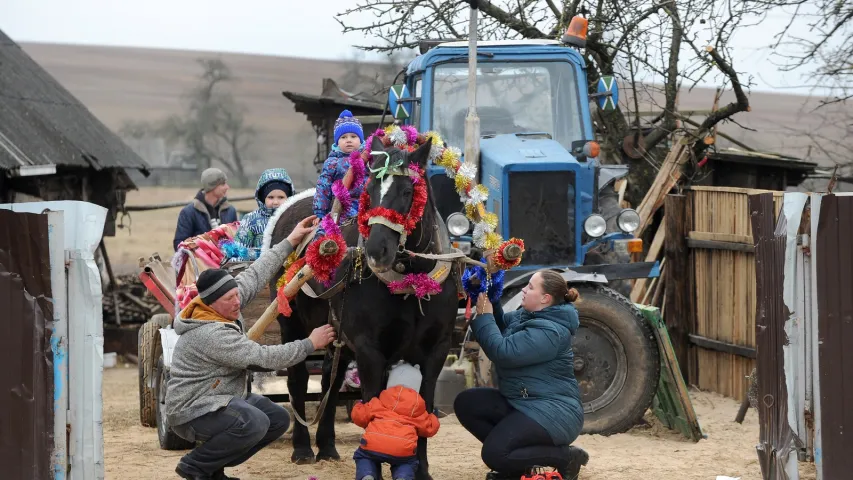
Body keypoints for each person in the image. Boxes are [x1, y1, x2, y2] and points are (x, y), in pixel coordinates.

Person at [165, 214, 336, 480]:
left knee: (277, 420)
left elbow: (256, 273)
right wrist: (309, 343)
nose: (237, 302)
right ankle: (196, 466)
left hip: (222, 395)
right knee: (253, 424)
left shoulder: (223, 303)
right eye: (230, 299)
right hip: (194, 410)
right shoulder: (211, 334)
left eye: (237, 296)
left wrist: (291, 239)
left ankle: (213, 470)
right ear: (212, 304)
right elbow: (263, 357)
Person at [454, 270, 589, 480]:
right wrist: (488, 295)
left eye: (531, 287)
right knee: (467, 403)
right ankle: (517, 465)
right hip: (526, 403)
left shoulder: (551, 332)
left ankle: (564, 456)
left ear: (545, 299)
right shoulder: (529, 315)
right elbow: (499, 326)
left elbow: (504, 352)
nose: (524, 290)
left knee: (494, 454)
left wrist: (484, 316)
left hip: (553, 413)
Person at [350, 361, 440, 480]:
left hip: (373, 445)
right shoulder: (418, 409)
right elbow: (430, 429)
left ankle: (367, 474)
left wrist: (359, 405)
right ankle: (403, 477)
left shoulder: (379, 401)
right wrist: (433, 416)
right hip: (402, 450)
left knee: (363, 457)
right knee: (407, 464)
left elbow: (359, 417)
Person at [313, 110, 365, 226]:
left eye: (353, 136)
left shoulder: (368, 160)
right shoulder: (332, 162)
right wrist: (320, 212)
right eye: (343, 137)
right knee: (324, 231)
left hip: (365, 206)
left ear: (361, 140)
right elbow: (323, 187)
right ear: (337, 142)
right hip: (341, 208)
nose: (348, 140)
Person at [233, 168, 295, 259]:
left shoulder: (295, 219)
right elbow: (238, 250)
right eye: (270, 197)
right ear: (263, 199)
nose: (275, 202)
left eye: (281, 197)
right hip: (256, 268)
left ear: (289, 198)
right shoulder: (251, 220)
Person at [173, 167, 238, 250]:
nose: (227, 187)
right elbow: (179, 245)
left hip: (228, 261)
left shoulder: (230, 211)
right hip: (200, 262)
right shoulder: (189, 212)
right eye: (223, 184)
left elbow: (237, 240)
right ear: (212, 186)